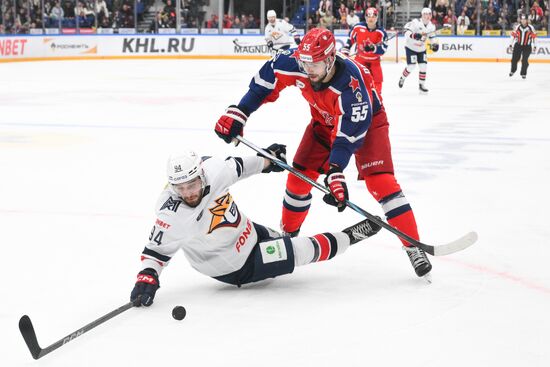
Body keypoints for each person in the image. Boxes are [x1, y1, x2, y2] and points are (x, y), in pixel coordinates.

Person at [214, 27, 433, 279]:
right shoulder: (295, 62)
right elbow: (265, 81)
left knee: (381, 183)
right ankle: (288, 237)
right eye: (305, 63)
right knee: (298, 179)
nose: (308, 70)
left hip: (368, 124)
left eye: (315, 64)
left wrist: (336, 171)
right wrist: (239, 111)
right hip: (322, 122)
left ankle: (414, 247)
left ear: (330, 58)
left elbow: (347, 135)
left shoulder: (353, 86)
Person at [129, 149, 381, 306]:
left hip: (249, 231)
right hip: (235, 266)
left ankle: (282, 244)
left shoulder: (214, 170)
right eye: (180, 188)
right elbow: (155, 252)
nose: (187, 193)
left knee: (280, 239)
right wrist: (147, 276)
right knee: (300, 249)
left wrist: (265, 162)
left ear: (201, 175)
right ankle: (350, 237)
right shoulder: (172, 215)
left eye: (191, 184)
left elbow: (238, 167)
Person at [341, 7, 388, 95]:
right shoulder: (358, 27)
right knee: (355, 79)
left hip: (375, 61)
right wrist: (345, 52)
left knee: (378, 82)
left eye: (373, 16)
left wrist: (373, 48)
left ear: (377, 18)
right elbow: (349, 40)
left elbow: (383, 49)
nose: (371, 18)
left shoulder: (381, 32)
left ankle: (376, 100)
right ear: (365, 17)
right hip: (360, 60)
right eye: (368, 16)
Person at [398, 8, 440, 94]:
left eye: (429, 14)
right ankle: (402, 78)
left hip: (422, 49)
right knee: (411, 66)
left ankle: (421, 85)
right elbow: (406, 31)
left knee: (423, 66)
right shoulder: (415, 22)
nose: (427, 16)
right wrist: (414, 35)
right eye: (425, 14)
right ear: (422, 15)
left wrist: (435, 44)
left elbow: (432, 37)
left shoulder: (431, 26)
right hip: (411, 48)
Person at [508, 14, 537, 79]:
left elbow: (534, 37)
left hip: (527, 46)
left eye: (524, 19)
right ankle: (513, 70)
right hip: (518, 45)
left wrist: (535, 46)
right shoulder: (517, 27)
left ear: (527, 20)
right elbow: (512, 36)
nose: (523, 21)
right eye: (522, 19)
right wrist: (510, 44)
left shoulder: (531, 28)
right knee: (514, 59)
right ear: (520, 20)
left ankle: (523, 73)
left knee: (524, 60)